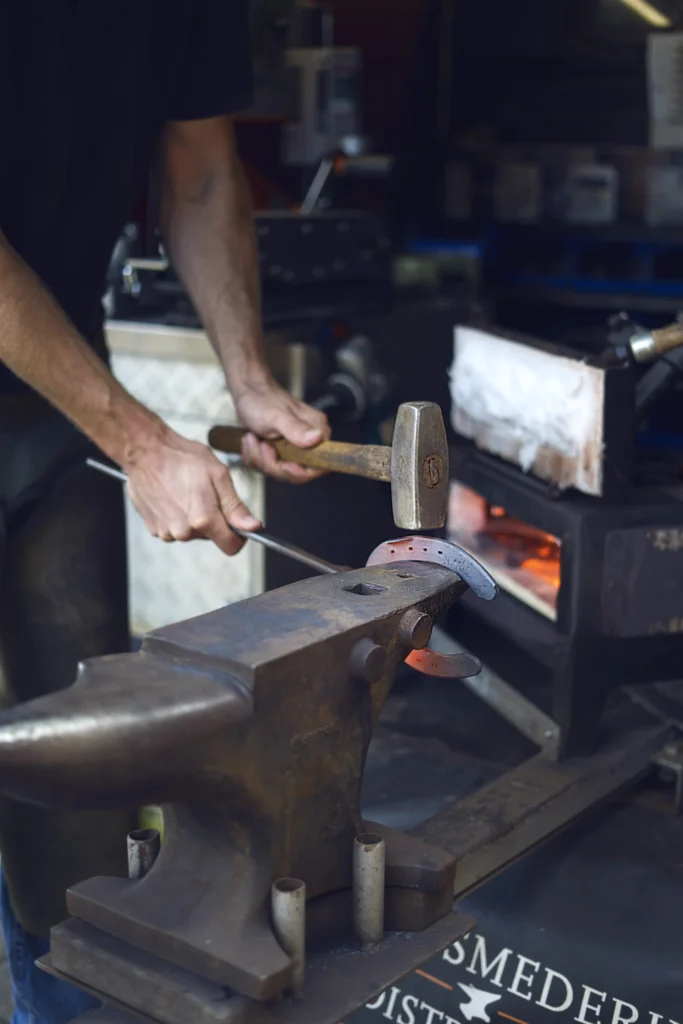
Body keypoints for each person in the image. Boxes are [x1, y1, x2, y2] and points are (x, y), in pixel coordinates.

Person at [0, 4, 329, 1022]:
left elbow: (199, 164)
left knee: (80, 768)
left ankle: (63, 997)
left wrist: (249, 384)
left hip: (48, 408)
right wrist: (140, 441)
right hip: (60, 381)